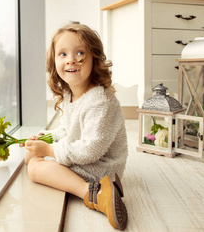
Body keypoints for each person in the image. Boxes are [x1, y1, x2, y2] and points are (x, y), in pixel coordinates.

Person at [22, 22, 128, 230]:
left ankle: (93, 193)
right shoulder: (71, 94)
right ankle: (90, 189)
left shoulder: (99, 101)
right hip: (87, 158)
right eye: (62, 54)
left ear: (94, 59)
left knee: (35, 167)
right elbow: (68, 130)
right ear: (54, 61)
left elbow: (91, 149)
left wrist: (50, 150)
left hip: (103, 167)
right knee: (30, 155)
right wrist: (46, 138)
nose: (71, 59)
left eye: (80, 52)